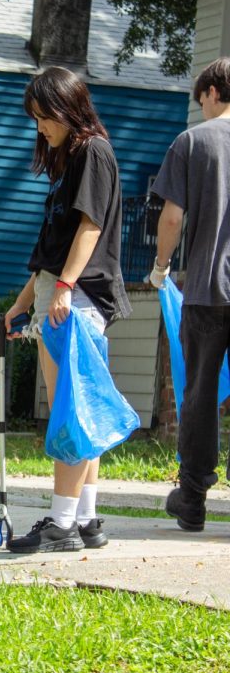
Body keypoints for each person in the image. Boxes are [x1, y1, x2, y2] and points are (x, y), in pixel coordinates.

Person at [3, 67, 131, 554]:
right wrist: (24, 301)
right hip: (59, 292)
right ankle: (86, 518)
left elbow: (91, 227)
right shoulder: (69, 159)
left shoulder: (93, 152)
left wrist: (64, 287)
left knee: (70, 412)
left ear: (66, 108)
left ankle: (60, 524)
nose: (40, 128)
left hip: (75, 299)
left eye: (43, 117)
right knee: (83, 409)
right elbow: (55, 242)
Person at [148, 57, 230, 532]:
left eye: (201, 99)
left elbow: (173, 217)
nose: (201, 107)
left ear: (213, 92)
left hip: (206, 290)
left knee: (199, 395)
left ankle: (193, 497)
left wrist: (161, 268)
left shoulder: (192, 142)